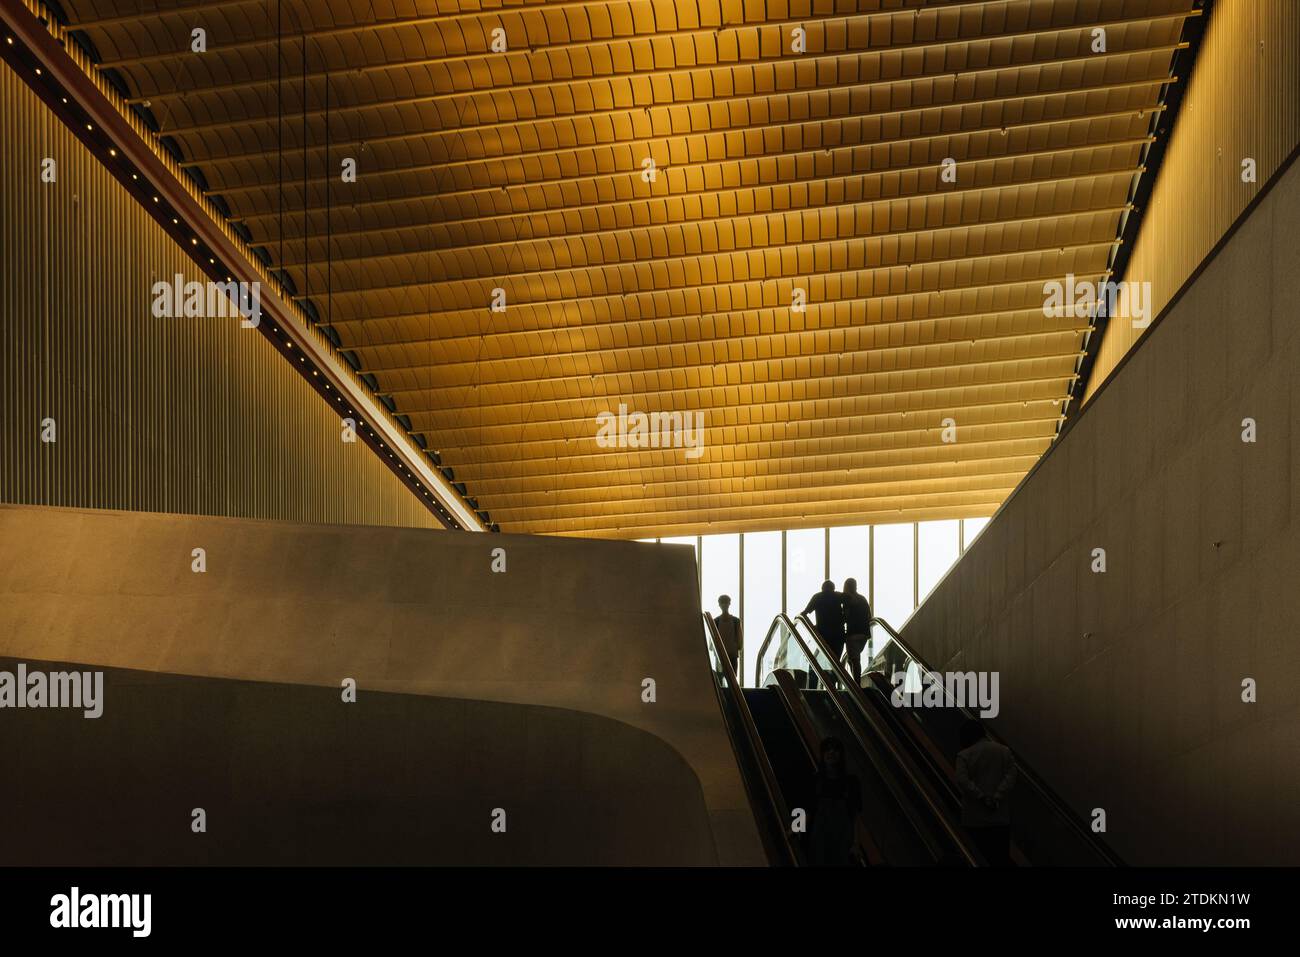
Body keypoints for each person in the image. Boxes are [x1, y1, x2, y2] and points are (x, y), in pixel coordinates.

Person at [955, 718, 1017, 867]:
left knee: (976, 858)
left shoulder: (964, 755)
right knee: (999, 859)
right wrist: (997, 796)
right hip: (1000, 819)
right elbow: (1011, 777)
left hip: (974, 819)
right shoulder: (1004, 751)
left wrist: (981, 796)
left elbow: (963, 780)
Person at [808, 736, 864, 866]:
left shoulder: (851, 782)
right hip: (819, 841)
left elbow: (855, 816)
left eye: (835, 749)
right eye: (827, 750)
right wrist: (795, 828)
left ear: (841, 755)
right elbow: (808, 810)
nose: (831, 752)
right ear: (822, 755)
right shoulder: (816, 780)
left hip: (843, 842)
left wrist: (856, 844)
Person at [801, 580, 846, 667]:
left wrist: (811, 626)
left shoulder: (818, 597)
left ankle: (820, 678)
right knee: (836, 661)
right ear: (833, 588)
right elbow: (850, 601)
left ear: (822, 588)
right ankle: (834, 679)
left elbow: (805, 613)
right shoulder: (838, 596)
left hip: (823, 634)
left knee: (818, 660)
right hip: (838, 634)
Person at [842, 577, 872, 685]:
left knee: (854, 660)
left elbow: (846, 616)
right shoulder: (863, 599)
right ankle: (856, 682)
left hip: (852, 633)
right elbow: (869, 615)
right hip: (864, 634)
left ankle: (856, 684)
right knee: (854, 658)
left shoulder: (848, 599)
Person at [713, 595, 742, 678]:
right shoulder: (735, 621)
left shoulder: (716, 621)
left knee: (722, 678)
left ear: (729, 604)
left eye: (725, 603)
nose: (724, 605)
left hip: (722, 655)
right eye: (722, 603)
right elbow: (740, 643)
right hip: (728, 654)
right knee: (731, 677)